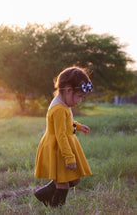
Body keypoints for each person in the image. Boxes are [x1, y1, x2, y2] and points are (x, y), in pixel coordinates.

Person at [34, 67, 93, 207]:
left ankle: (43, 194)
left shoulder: (63, 104)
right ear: (68, 91)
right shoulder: (59, 109)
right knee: (63, 183)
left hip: (62, 145)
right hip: (58, 149)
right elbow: (61, 135)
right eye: (79, 96)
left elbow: (65, 123)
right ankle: (57, 209)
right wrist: (69, 157)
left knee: (75, 179)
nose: (80, 101)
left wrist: (77, 126)